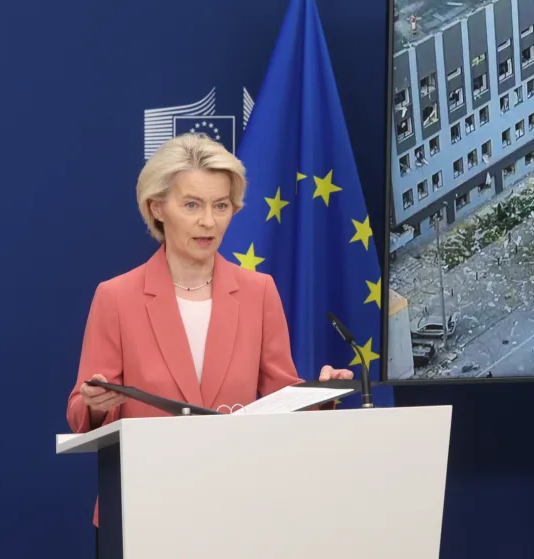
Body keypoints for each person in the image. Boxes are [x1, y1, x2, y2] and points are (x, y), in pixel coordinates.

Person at [66, 133, 354, 535]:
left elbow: (280, 400)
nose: (208, 221)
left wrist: (320, 397)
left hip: (236, 505)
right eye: (192, 205)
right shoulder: (116, 297)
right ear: (157, 208)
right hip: (143, 508)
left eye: (221, 206)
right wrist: (97, 402)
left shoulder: (259, 292)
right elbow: (82, 413)